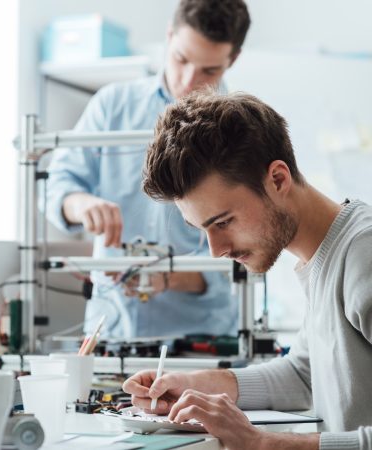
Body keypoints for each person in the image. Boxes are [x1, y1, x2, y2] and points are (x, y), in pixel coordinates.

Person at [123, 91, 372, 449]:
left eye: (224, 221)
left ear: (278, 179)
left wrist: (261, 443)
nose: (217, 249)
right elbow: (303, 375)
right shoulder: (324, 257)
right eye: (203, 230)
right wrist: (194, 385)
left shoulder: (363, 254)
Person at [46, 0, 251, 339]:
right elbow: (58, 186)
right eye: (181, 59)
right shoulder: (112, 105)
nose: (188, 81)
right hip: (111, 332)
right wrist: (82, 204)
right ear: (169, 36)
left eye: (209, 71)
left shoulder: (245, 129)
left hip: (202, 342)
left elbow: (249, 245)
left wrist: (170, 277)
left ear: (233, 60)